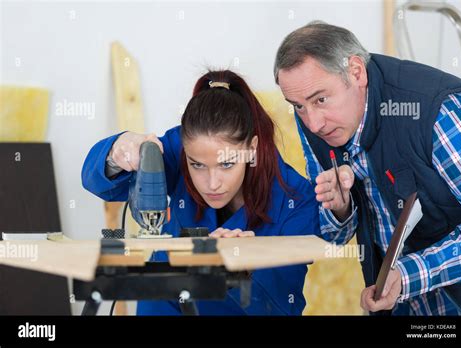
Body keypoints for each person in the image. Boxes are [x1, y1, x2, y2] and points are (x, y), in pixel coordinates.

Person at [82, 70, 331, 315]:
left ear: (251, 149)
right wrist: (117, 152)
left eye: (227, 164)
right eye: (197, 165)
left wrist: (239, 272)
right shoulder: (179, 149)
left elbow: (282, 307)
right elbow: (97, 182)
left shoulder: (297, 201)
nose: (212, 184)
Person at [274, 21, 461, 315]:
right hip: (402, 306)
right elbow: (334, 237)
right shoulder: (316, 123)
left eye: (320, 99)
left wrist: (410, 275)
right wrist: (340, 209)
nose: (313, 123)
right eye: (298, 106)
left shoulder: (437, 112)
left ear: (356, 72)